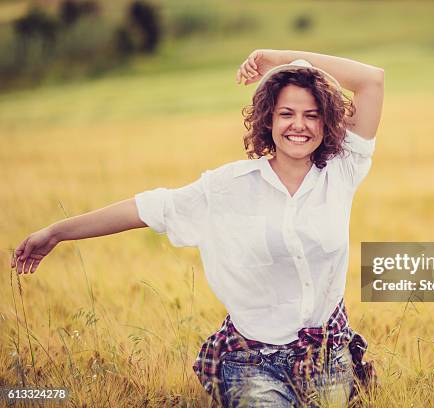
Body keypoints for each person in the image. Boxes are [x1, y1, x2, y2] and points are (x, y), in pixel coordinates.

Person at [12, 49, 384, 407]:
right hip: (254, 365)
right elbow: (146, 208)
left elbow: (371, 80)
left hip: (328, 360)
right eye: (286, 113)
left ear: (326, 121)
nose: (299, 125)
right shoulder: (227, 187)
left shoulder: (341, 171)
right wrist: (58, 231)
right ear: (268, 119)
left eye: (312, 115)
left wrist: (279, 59)